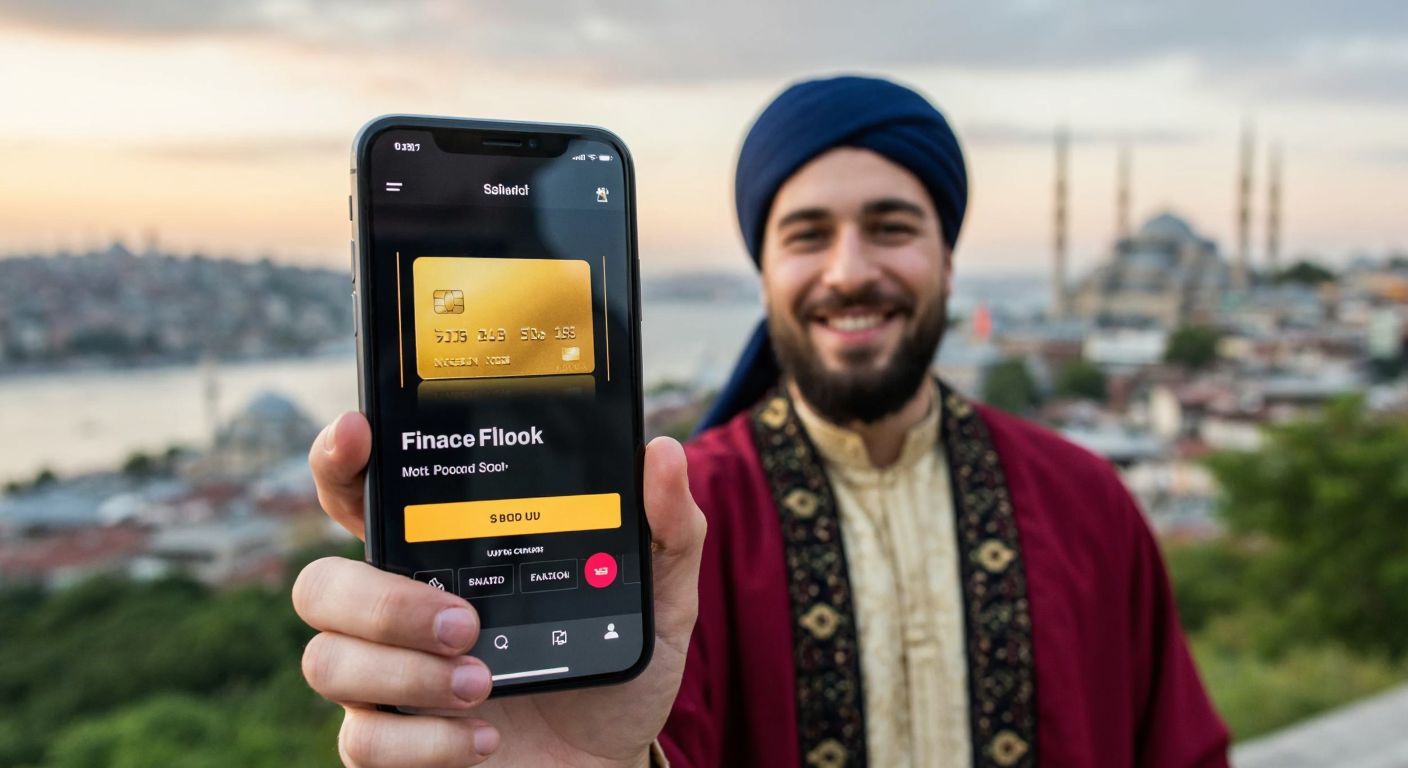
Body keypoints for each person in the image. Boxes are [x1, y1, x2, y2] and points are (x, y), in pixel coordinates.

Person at [293, 75, 1230, 767]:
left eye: (893, 227)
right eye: (809, 234)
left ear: (949, 258)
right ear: (766, 270)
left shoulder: (1083, 503)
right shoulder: (679, 531)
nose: (850, 269)